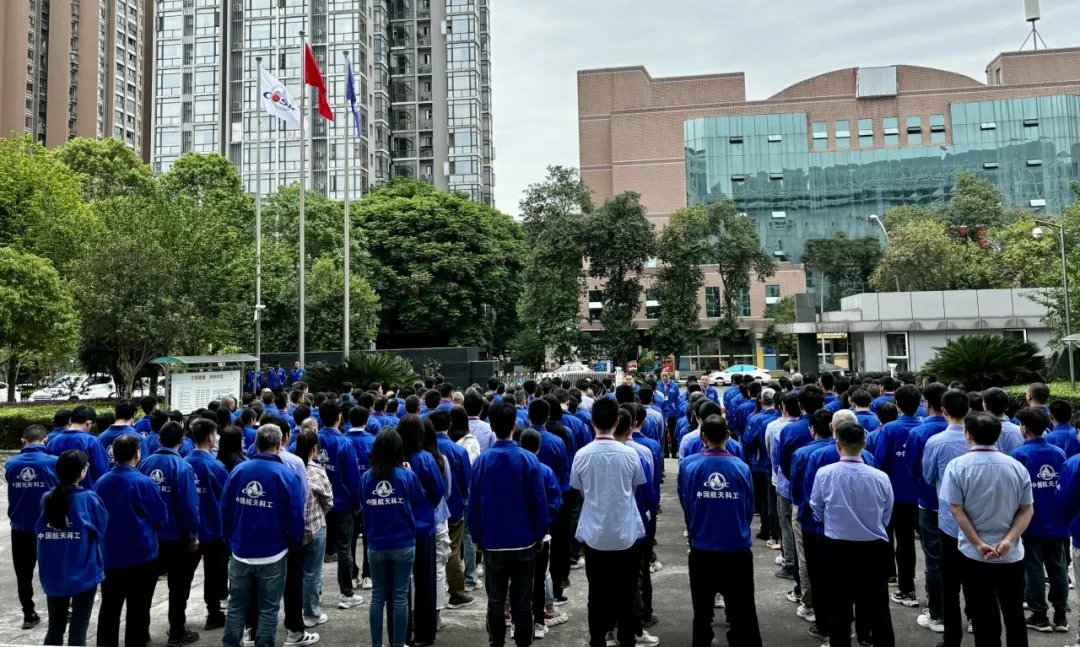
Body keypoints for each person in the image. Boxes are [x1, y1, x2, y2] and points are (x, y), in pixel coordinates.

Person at [942, 412, 1033, 646]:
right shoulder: (1016, 467)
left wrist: (978, 543)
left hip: (974, 555)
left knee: (983, 615)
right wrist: (1009, 540)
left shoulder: (957, 467)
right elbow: (1026, 510)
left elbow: (956, 510)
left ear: (968, 434)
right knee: (1014, 612)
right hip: (1011, 554)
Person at [468, 401, 548, 647]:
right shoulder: (528, 460)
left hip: (493, 542)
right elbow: (539, 502)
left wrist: (477, 537)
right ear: (515, 426)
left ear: (492, 427)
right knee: (522, 601)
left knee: (495, 600)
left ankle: (497, 643)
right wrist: (540, 535)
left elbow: (474, 504)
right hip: (524, 541)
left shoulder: (482, 461)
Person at [678, 414, 762, 647]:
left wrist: (695, 528)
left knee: (702, 609)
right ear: (728, 435)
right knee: (742, 609)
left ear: (703, 437)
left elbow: (687, 503)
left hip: (702, 545)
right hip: (736, 547)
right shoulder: (741, 467)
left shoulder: (689, 466)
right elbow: (747, 509)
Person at [811, 421, 896, 647]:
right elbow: (886, 514)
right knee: (878, 605)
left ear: (837, 445)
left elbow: (816, 508)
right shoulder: (880, 477)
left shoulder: (825, 474)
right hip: (873, 547)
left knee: (839, 606)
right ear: (864, 444)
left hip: (837, 547)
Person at [571, 397, 648, 647]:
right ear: (617, 422)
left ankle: (598, 640)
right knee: (627, 592)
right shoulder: (630, 454)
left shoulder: (581, 455)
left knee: (597, 594)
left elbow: (581, 492)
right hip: (625, 533)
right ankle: (626, 639)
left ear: (592, 421)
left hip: (595, 535)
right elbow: (634, 489)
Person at [221, 424, 306, 647]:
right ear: (279, 444)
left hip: (241, 550)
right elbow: (296, 515)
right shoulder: (286, 475)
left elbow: (225, 509)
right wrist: (293, 541)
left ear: (256, 444)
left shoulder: (239, 471)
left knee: (237, 606)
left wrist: (230, 539)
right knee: (268, 609)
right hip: (273, 553)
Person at [95, 434, 167, 647]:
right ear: (137, 454)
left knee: (109, 609)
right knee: (138, 611)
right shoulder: (144, 482)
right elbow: (160, 517)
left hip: (110, 556)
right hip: (140, 556)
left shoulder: (101, 481)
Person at [358, 428, 426, 647]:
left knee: (377, 597)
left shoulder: (366, 478)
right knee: (400, 597)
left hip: (376, 544)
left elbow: (362, 504)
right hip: (403, 543)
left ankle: (376, 644)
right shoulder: (407, 475)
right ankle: (398, 644)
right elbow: (418, 501)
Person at [140, 419, 203, 647]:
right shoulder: (182, 467)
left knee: (145, 587)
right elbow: (189, 506)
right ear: (182, 441)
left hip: (150, 536)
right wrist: (193, 533)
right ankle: (176, 631)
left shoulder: (145, 463)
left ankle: (141, 631)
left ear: (158, 440)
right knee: (178, 586)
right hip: (176, 536)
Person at [38, 449, 108, 646]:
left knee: (54, 628)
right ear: (83, 472)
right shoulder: (89, 499)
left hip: (53, 574)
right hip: (83, 573)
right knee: (78, 631)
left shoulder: (47, 499)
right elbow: (101, 529)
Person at [1010, 407, 1069, 632]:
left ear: (1024, 428)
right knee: (1058, 567)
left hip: (1030, 521)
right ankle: (1061, 616)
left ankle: (1039, 615)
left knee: (1033, 568)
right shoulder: (1058, 453)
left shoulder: (1019, 455)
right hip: (1057, 520)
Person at [921, 390, 972, 647]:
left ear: (943, 411)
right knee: (977, 579)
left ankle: (949, 634)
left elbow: (928, 475)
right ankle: (974, 619)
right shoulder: (979, 436)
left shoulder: (936, 441)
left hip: (949, 521)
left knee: (948, 581)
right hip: (981, 520)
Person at [397, 415, 446, 646]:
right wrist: (425, 505)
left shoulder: (394, 460)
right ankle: (425, 633)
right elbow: (438, 490)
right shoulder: (425, 458)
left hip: (400, 529)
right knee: (425, 581)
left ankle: (402, 632)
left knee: (400, 585)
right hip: (424, 527)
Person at [872, 384, 923, 609]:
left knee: (895, 540)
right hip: (921, 496)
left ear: (897, 404)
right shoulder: (923, 428)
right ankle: (925, 590)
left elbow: (880, 460)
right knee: (919, 543)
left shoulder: (890, 429)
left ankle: (904, 586)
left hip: (894, 494)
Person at [905, 382, 950, 633]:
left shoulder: (919, 433)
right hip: (962, 505)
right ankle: (972, 615)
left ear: (927, 403)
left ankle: (937, 614)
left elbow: (916, 469)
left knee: (934, 559)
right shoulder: (965, 430)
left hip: (929, 501)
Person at [5, 425, 58, 629]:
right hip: (48, 526)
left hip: (20, 527)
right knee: (53, 569)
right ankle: (60, 610)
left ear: (23, 441)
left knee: (23, 573)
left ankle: (29, 613)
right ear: (45, 441)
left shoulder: (11, 463)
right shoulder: (53, 462)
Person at [315, 401, 365, 609]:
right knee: (344, 548)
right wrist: (357, 502)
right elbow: (353, 478)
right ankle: (346, 593)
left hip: (317, 504)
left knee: (316, 551)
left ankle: (314, 594)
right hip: (341, 504)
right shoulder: (344, 444)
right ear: (339, 418)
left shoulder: (313, 440)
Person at [517, 426, 562, 640]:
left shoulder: (513, 469)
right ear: (538, 448)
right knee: (539, 577)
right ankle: (538, 621)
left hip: (517, 532)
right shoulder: (545, 471)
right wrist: (542, 523)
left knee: (519, 580)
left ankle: (518, 622)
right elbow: (554, 502)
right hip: (540, 534)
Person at [185, 419, 230, 631]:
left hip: (189, 531)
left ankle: (178, 615)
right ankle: (213, 613)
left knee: (184, 575)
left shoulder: (184, 462)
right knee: (213, 574)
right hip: (213, 529)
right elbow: (226, 497)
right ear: (211, 437)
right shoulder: (215, 466)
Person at [430, 409, 474, 610]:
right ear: (449, 426)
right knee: (453, 551)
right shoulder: (458, 451)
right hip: (454, 508)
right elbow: (466, 482)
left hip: (430, 510)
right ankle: (456, 592)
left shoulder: (425, 451)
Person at [295, 429, 333, 628]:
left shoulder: (289, 466)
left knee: (296, 573)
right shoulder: (317, 471)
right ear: (314, 449)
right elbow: (328, 500)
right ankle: (311, 613)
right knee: (312, 573)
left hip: (292, 529)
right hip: (314, 526)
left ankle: (296, 612)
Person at [744, 388, 780, 541]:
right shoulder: (780, 417)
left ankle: (766, 528)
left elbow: (748, 441)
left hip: (760, 463)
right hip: (777, 465)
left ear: (760, 401)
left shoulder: (755, 419)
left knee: (765, 498)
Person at [48, 405, 109, 487]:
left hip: (58, 492)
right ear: (88, 423)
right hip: (85, 491)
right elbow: (101, 470)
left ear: (70, 420)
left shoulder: (53, 441)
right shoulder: (92, 441)